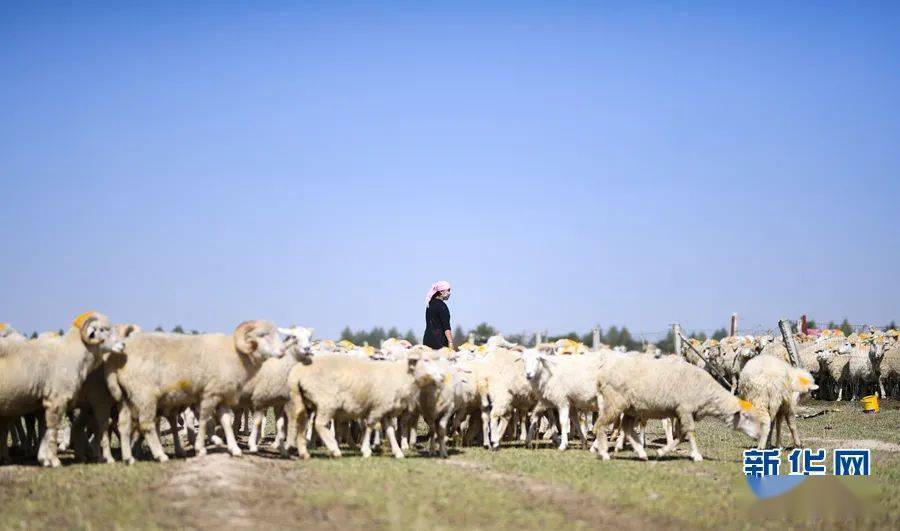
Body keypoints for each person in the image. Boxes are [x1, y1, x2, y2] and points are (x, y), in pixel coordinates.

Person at [423, 280, 453, 350]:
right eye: (448, 290)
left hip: (427, 341)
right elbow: (446, 327)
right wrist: (450, 342)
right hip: (439, 342)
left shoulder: (429, 304)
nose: (449, 293)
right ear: (441, 291)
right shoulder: (442, 306)